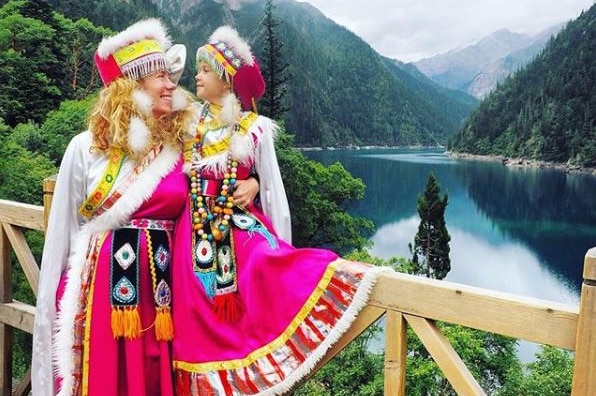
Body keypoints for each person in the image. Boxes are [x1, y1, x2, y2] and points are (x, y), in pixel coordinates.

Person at [171, 25, 391, 395]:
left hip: (234, 229)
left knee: (265, 268)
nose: (197, 76)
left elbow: (273, 189)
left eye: (205, 69)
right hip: (188, 239)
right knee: (191, 322)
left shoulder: (253, 129)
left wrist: (264, 204)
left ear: (226, 79)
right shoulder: (184, 124)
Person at [31, 18, 193, 396]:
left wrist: (251, 182)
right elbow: (60, 241)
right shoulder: (85, 147)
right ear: (133, 85)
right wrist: (51, 315)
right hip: (101, 294)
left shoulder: (182, 146)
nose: (172, 84)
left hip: (165, 294)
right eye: (161, 77)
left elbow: (219, 183)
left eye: (172, 77)